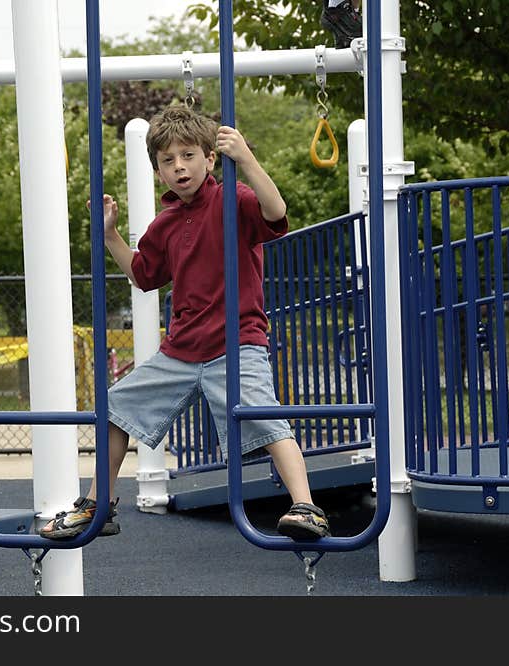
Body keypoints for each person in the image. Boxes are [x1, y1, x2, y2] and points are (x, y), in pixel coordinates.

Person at [39, 105, 330, 542]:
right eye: (168, 161)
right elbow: (143, 275)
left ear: (210, 158)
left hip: (237, 342)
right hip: (180, 350)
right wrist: (110, 236)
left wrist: (246, 159)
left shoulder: (235, 198)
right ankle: (99, 505)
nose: (180, 167)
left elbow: (276, 213)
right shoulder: (165, 224)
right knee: (115, 406)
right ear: (158, 171)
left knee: (266, 418)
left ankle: (306, 507)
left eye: (189, 155)